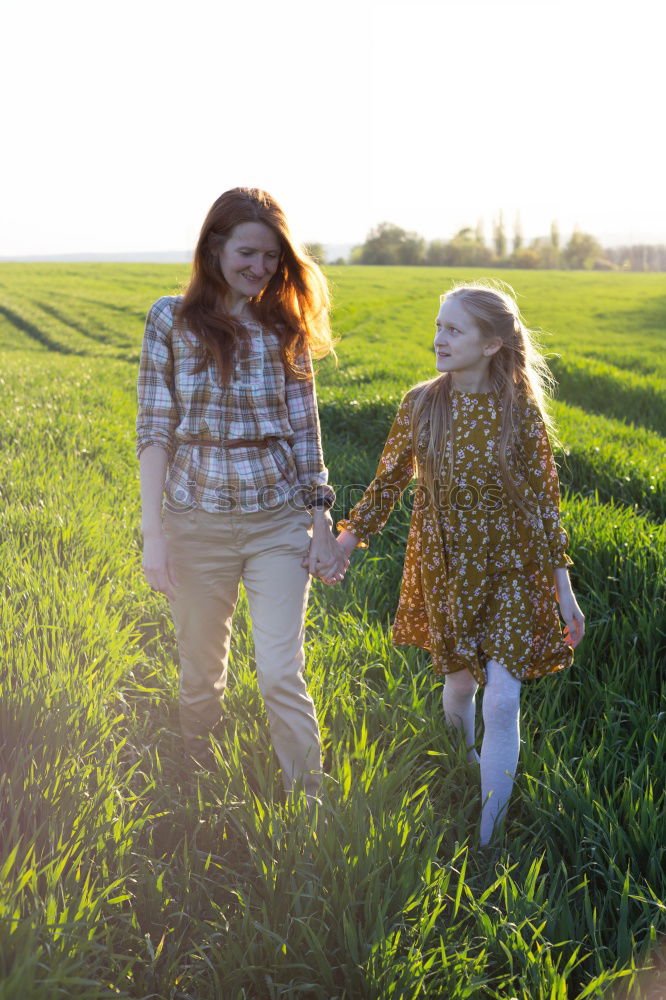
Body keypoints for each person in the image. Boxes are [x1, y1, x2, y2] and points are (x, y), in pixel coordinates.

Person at [335, 280, 585, 847]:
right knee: (459, 686)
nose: (438, 339)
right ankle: (461, 759)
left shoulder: (519, 411)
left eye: (453, 329)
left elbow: (545, 503)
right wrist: (342, 543)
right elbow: (388, 484)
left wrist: (563, 590)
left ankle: (488, 837)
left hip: (514, 570)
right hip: (448, 567)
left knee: (503, 697)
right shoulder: (422, 403)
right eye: (438, 325)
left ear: (492, 343)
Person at [136, 187, 347, 801]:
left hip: (276, 522)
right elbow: (153, 432)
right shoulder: (167, 319)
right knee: (200, 676)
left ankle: (309, 803)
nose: (260, 269)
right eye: (248, 253)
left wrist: (321, 523)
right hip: (194, 522)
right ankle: (197, 782)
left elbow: (306, 432)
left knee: (282, 670)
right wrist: (155, 535)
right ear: (214, 246)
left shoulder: (285, 328)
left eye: (273, 259)